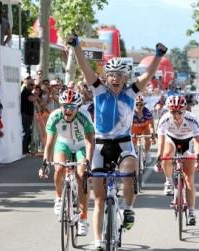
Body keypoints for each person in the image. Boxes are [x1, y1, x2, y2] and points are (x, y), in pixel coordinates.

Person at [69, 33, 167, 251]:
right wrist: (76, 46)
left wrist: (158, 56)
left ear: (125, 78)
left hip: (123, 143)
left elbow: (148, 74)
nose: (115, 78)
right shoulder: (98, 89)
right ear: (106, 77)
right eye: (111, 75)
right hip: (101, 145)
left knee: (129, 172)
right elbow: (85, 67)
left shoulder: (131, 93)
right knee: (99, 199)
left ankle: (129, 207)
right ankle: (97, 241)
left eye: (119, 75)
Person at [39, 89, 94, 236]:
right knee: (59, 168)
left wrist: (88, 161)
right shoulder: (55, 116)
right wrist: (45, 162)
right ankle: (58, 198)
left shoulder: (85, 117)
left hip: (82, 145)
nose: (67, 110)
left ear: (78, 107)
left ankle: (83, 219)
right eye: (64, 106)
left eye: (71, 107)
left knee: (82, 176)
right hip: (63, 144)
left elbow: (90, 142)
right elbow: (49, 143)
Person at [156, 95, 199, 225]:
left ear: (185, 110)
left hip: (188, 142)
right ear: (168, 111)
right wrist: (158, 158)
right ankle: (169, 181)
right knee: (166, 153)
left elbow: (197, 142)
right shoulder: (164, 119)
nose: (176, 115)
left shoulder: (192, 119)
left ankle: (192, 212)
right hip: (171, 139)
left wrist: (198, 158)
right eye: (173, 112)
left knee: (189, 180)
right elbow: (160, 141)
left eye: (179, 112)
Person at [131, 95, 156, 164]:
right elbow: (126, 126)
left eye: (141, 104)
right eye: (137, 104)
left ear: (144, 105)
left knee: (148, 139)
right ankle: (134, 151)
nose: (139, 106)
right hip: (134, 128)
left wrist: (153, 136)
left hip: (144, 127)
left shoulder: (147, 113)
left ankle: (147, 152)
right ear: (134, 105)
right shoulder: (130, 113)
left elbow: (151, 126)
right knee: (133, 141)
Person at [21, 76, 38, 155]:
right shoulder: (25, 91)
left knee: (28, 133)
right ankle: (24, 151)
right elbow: (31, 99)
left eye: (33, 85)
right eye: (31, 84)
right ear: (26, 84)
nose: (32, 86)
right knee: (26, 132)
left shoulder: (30, 92)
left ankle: (26, 150)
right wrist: (36, 95)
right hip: (25, 115)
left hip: (29, 115)